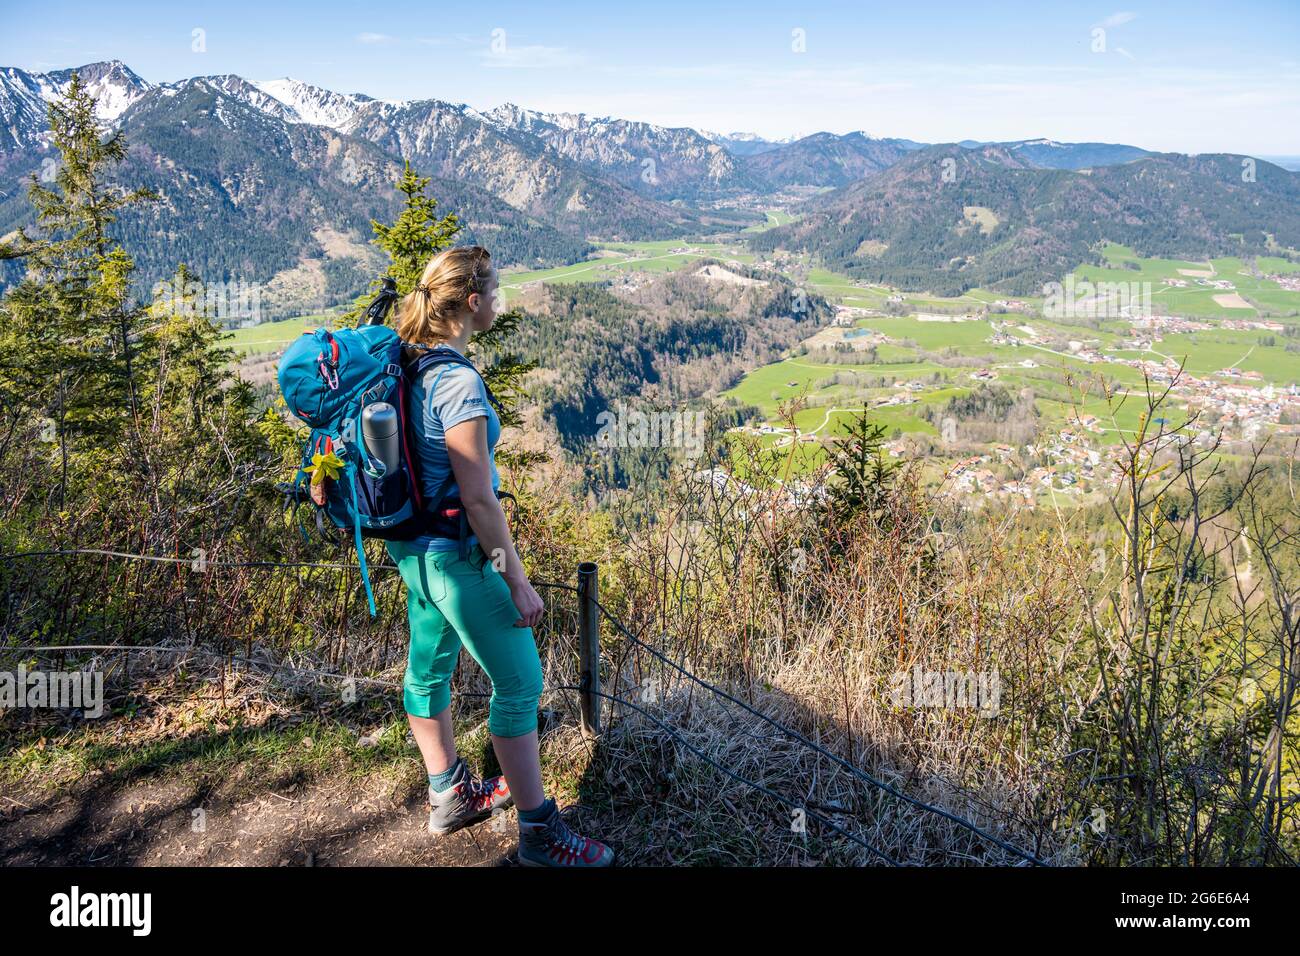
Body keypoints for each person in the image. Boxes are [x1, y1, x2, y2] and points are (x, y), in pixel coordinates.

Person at [388, 245, 614, 867]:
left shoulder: (407, 364)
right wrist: (516, 581)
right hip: (457, 556)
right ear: (472, 302)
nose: (503, 301)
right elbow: (480, 499)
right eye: (497, 291)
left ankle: (448, 795)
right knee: (520, 683)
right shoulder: (456, 381)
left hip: (412, 549)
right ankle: (540, 833)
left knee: (429, 666)